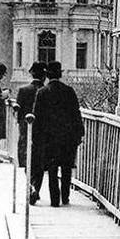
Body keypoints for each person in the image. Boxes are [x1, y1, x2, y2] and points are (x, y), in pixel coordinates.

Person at [32, 61, 84, 207]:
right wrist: (79, 133)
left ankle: (55, 200)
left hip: (49, 138)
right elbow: (76, 114)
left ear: (47, 75)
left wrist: (36, 138)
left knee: (52, 168)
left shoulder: (42, 92)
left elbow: (37, 117)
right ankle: (65, 197)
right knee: (67, 167)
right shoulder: (69, 91)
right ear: (60, 74)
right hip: (67, 137)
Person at [18, 62, 47, 203]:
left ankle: (30, 186)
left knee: (27, 160)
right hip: (42, 133)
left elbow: (18, 116)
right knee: (40, 162)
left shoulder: (23, 90)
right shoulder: (45, 90)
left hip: (25, 132)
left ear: (31, 74)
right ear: (44, 75)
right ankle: (36, 188)